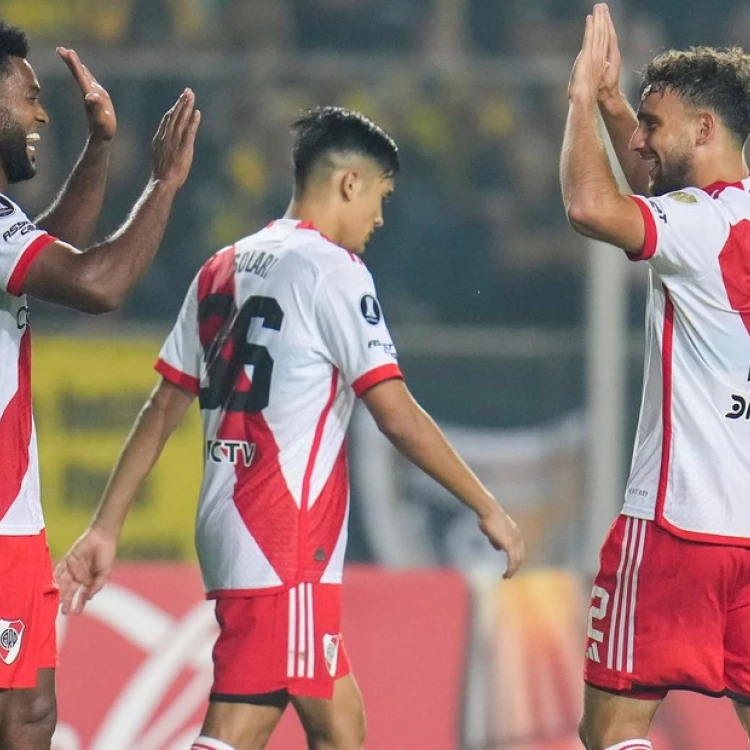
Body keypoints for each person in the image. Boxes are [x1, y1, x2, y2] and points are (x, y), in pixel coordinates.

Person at [54, 105, 525, 750]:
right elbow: (395, 412)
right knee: (240, 724)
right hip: (282, 534)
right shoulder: (333, 272)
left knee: (340, 723)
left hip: (229, 522)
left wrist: (107, 524)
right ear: (349, 184)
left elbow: (162, 408)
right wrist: (486, 504)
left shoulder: (225, 263)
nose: (380, 220)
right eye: (380, 199)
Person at [0, 19, 199, 748]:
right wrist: (164, 184)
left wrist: (101, 148)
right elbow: (97, 281)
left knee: (31, 716)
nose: (41, 113)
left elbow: (58, 248)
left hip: (12, 522)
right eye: (26, 96)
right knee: (19, 721)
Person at [561, 4, 750, 749]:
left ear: (704, 130)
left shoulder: (698, 226)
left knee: (610, 727)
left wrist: (581, 100)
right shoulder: (726, 220)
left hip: (680, 523)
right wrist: (617, 106)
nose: (637, 141)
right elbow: (656, 192)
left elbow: (589, 205)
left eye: (652, 124)